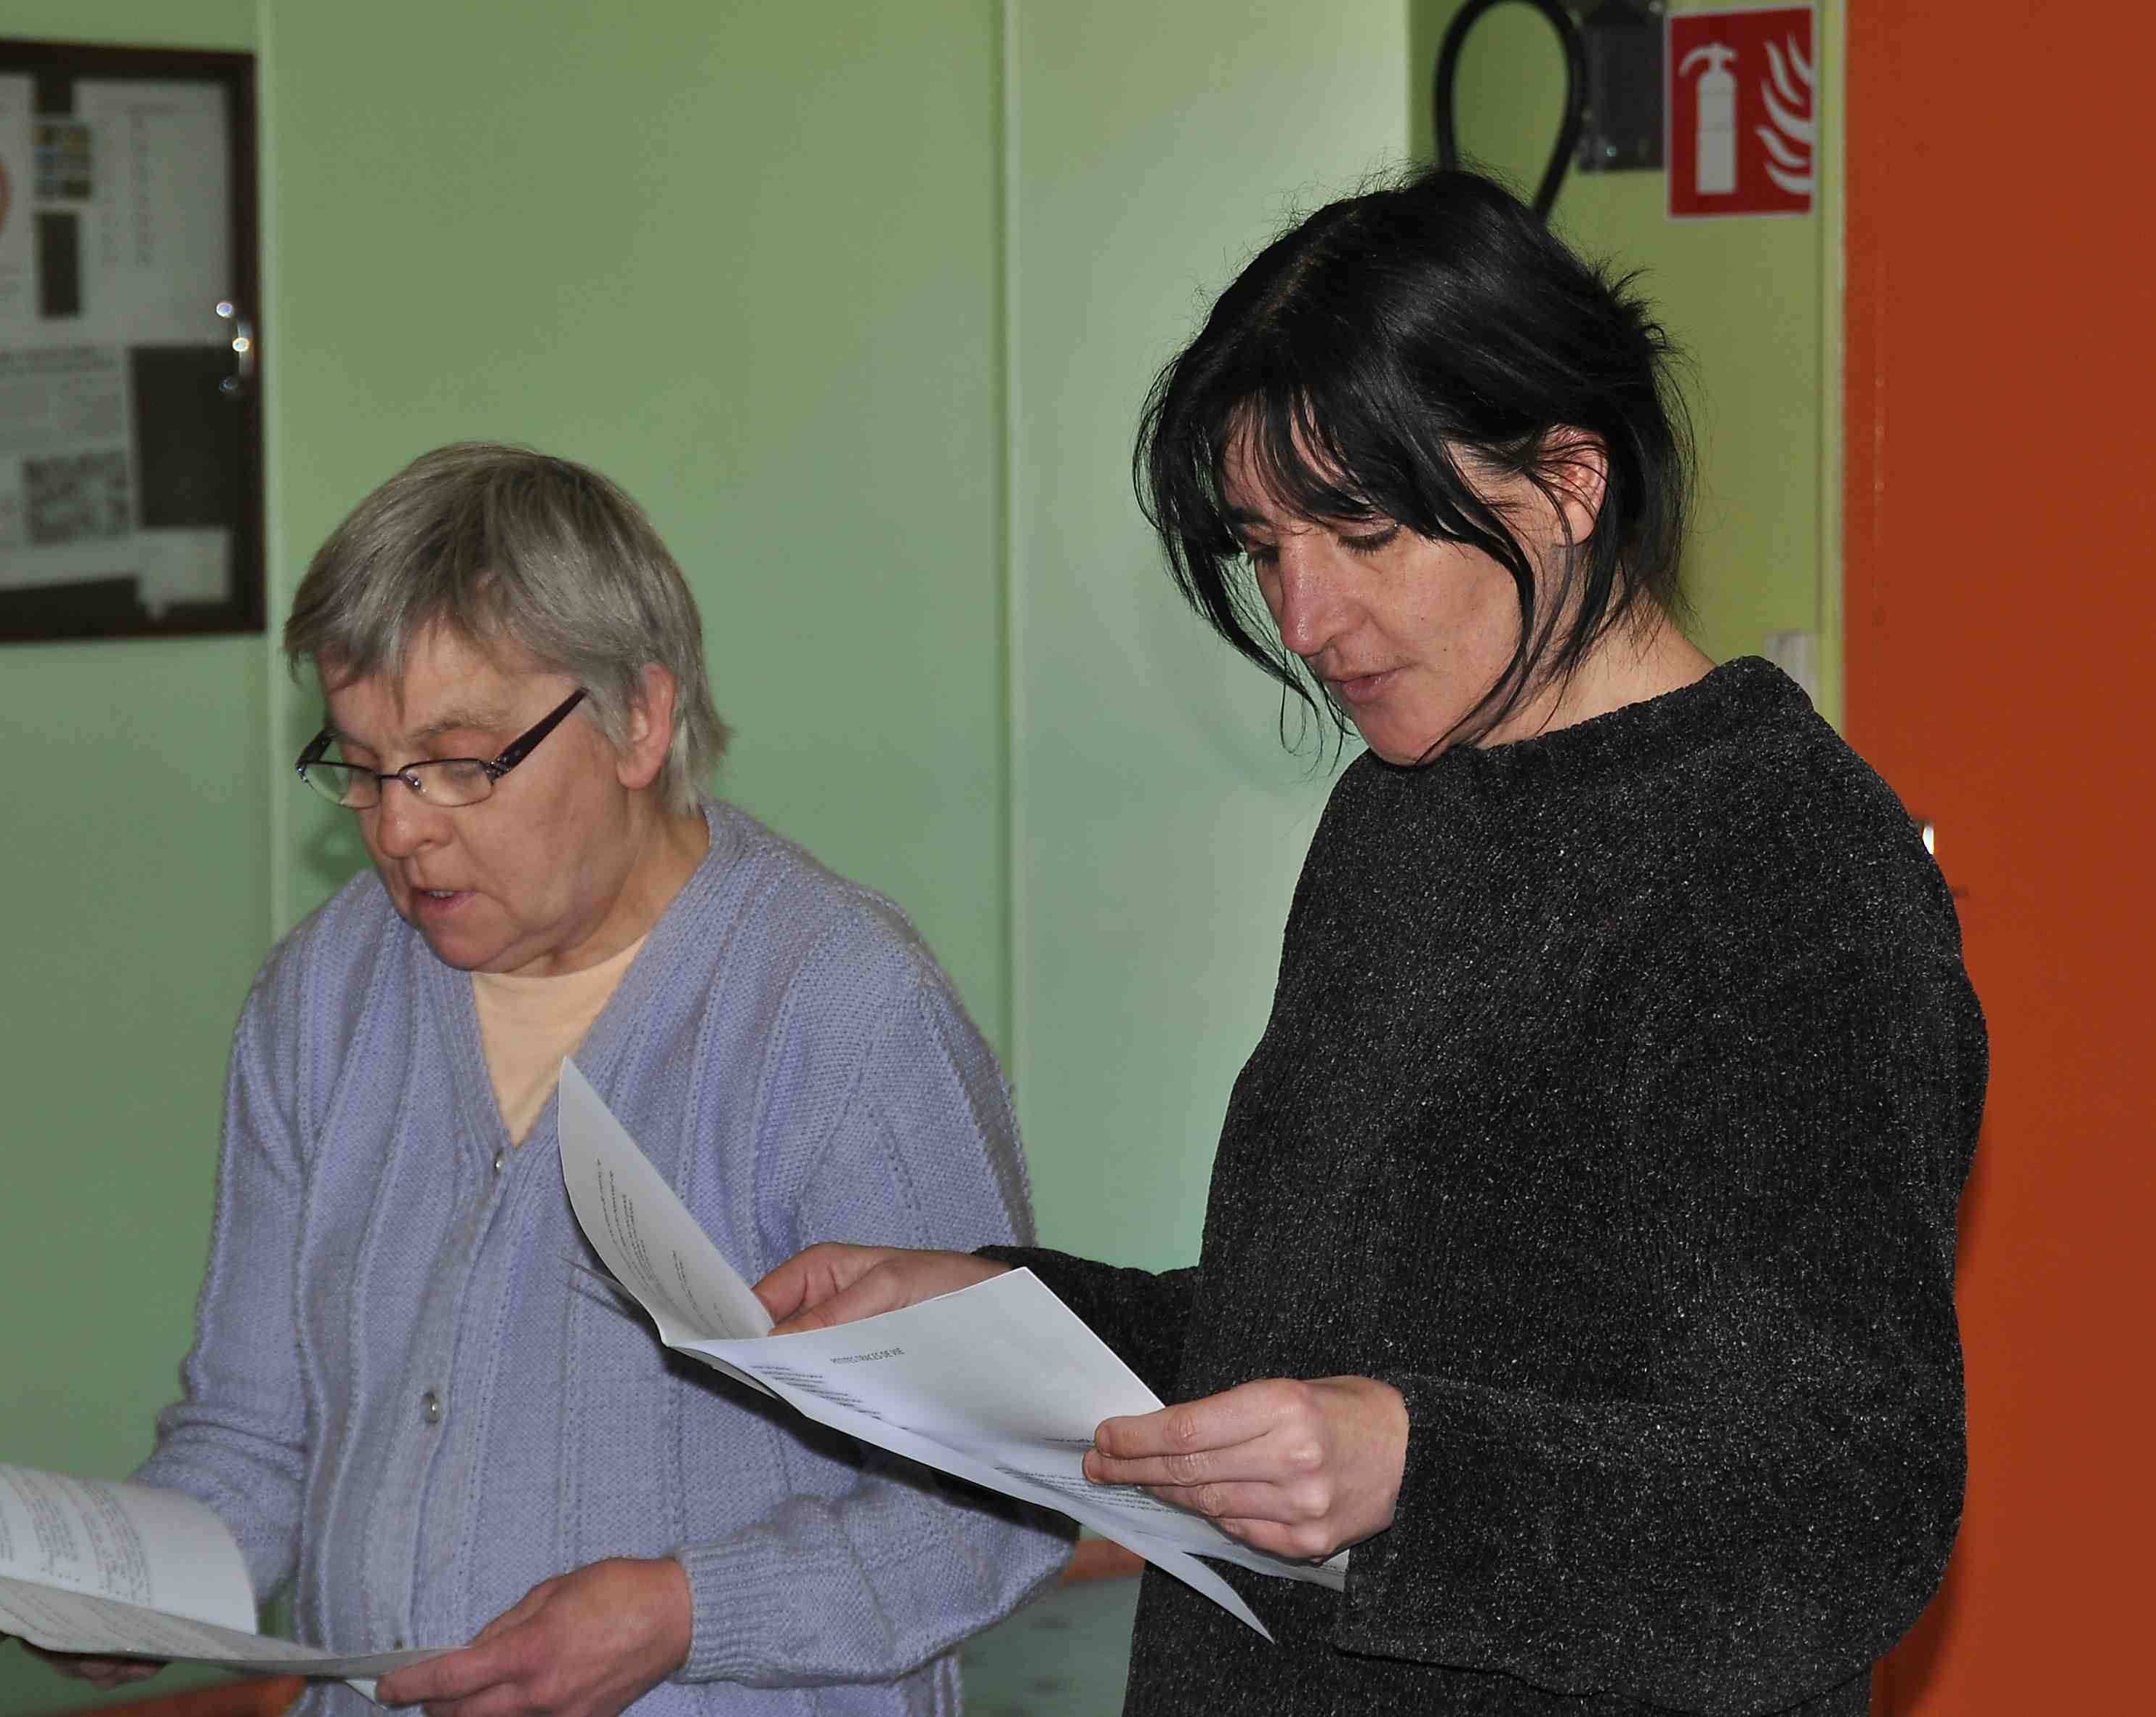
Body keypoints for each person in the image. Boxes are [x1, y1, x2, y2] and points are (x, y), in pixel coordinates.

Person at [759, 169, 1985, 1716]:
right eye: (1263, 545)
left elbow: (1841, 1500)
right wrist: (995, 1314)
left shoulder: (1783, 870)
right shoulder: (1401, 810)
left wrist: (1419, 1470)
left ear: (1568, 480)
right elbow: (1321, 1335)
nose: (1303, 615)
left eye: (1357, 529)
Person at [21, 443, 1069, 1715]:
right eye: (362, 764)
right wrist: (134, 1581)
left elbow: (1001, 1501)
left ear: (639, 720)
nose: (399, 827)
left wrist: (685, 1613)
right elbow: (253, 1436)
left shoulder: (842, 1012)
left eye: (461, 762)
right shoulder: (323, 996)